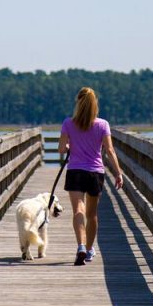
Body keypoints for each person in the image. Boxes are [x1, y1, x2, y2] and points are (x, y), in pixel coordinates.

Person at [58, 86, 124, 266]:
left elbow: (62, 149)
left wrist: (71, 147)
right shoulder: (103, 124)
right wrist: (118, 172)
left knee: (78, 209)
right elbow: (109, 150)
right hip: (95, 172)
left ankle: (80, 245)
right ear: (95, 104)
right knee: (92, 214)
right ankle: (88, 250)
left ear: (78, 103)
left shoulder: (68, 123)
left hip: (75, 171)